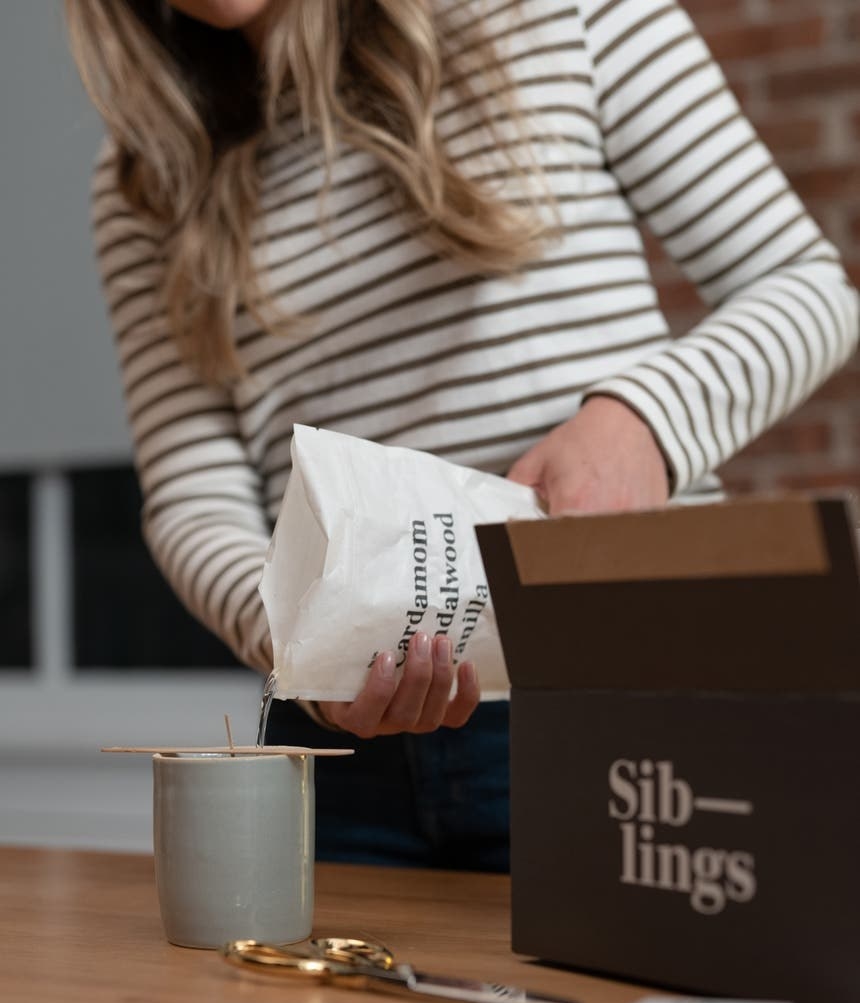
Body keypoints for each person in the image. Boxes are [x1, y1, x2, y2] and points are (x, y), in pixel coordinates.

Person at [67, 0, 859, 871]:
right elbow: (191, 496)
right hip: (347, 754)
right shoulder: (142, 176)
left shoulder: (565, 12)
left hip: (622, 701)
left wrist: (643, 422)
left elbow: (808, 288)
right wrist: (306, 648)